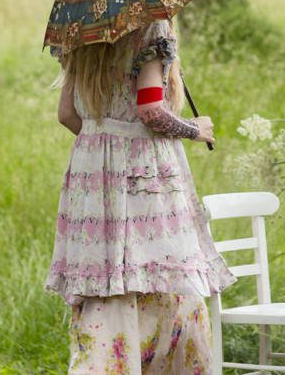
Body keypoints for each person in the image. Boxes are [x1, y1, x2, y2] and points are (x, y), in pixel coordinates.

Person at [45, 18, 235, 374]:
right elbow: (150, 111)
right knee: (160, 272)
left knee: (105, 281)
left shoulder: (81, 28)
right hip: (144, 170)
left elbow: (67, 114)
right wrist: (195, 129)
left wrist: (102, 144)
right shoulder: (152, 27)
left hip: (90, 174)